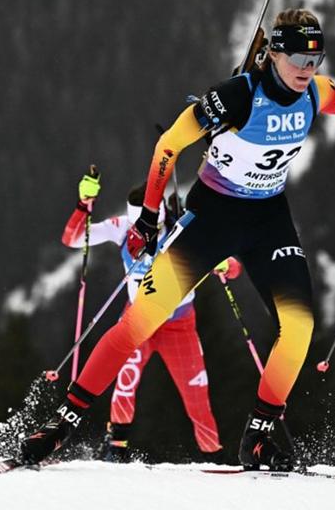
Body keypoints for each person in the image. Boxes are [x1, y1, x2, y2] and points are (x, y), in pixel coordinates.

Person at [21, 8, 335, 471]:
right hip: (211, 217)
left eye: (315, 60)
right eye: (296, 58)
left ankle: (257, 437)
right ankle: (63, 423)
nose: (306, 70)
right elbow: (168, 146)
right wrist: (150, 214)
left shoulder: (316, 92)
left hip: (269, 219)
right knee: (140, 321)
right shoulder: (237, 97)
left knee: (299, 327)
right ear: (273, 52)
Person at [62, 173, 239, 462]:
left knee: (196, 395)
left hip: (178, 325)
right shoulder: (123, 226)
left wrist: (222, 262)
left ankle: (214, 456)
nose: (144, 234)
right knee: (125, 381)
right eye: (140, 229)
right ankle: (116, 446)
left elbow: (233, 266)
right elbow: (72, 240)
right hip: (139, 317)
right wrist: (83, 204)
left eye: (151, 226)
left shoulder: (183, 226)